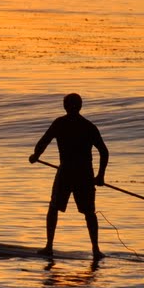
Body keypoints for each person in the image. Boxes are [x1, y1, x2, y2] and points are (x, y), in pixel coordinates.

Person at [29, 92, 110, 259]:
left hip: (68, 173)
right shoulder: (87, 126)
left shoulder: (61, 123)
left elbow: (43, 141)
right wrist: (100, 175)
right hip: (83, 174)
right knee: (88, 212)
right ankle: (95, 250)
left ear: (65, 106)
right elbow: (104, 152)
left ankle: (50, 247)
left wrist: (36, 156)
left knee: (55, 208)